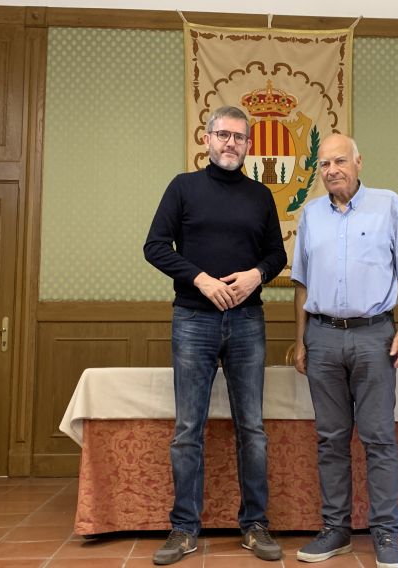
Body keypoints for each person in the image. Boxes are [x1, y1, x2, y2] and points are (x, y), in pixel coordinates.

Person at [143, 105, 287, 565]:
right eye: (223, 135)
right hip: (193, 319)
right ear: (206, 139)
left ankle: (255, 524)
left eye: (239, 138)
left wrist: (256, 276)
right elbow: (154, 246)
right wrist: (200, 278)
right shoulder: (183, 187)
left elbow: (276, 254)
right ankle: (184, 529)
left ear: (248, 146)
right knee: (188, 429)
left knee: (253, 430)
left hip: (248, 321)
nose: (230, 144)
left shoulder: (261, 195)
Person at [291, 134, 398, 568]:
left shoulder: (389, 204)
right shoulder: (310, 214)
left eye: (340, 161)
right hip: (323, 338)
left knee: (379, 438)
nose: (332, 170)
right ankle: (336, 531)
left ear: (358, 162)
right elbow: (302, 285)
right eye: (324, 164)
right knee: (330, 440)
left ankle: (386, 533)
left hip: (374, 336)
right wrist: (300, 339)